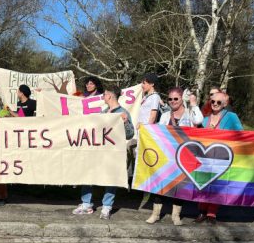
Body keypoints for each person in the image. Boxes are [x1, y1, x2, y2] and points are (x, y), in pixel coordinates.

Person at [73, 86, 134, 219]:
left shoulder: (123, 112)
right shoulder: (104, 112)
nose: (103, 97)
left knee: (111, 179)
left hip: (113, 154)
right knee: (88, 173)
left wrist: (126, 122)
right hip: (99, 152)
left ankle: (107, 207)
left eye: (105, 94)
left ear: (110, 96)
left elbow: (130, 134)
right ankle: (86, 204)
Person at [145, 87, 204, 226]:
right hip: (167, 156)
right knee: (160, 185)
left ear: (181, 99)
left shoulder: (190, 114)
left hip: (185, 157)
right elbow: (158, 133)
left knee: (180, 187)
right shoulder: (165, 116)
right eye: (170, 99)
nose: (172, 101)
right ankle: (155, 214)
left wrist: (194, 104)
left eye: (176, 98)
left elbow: (199, 120)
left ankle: (175, 216)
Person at [194, 92, 243, 225]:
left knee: (217, 185)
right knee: (204, 183)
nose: (215, 104)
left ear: (225, 104)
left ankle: (211, 213)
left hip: (222, 157)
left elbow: (241, 134)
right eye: (213, 101)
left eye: (218, 102)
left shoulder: (231, 117)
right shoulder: (205, 118)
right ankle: (202, 211)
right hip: (206, 157)